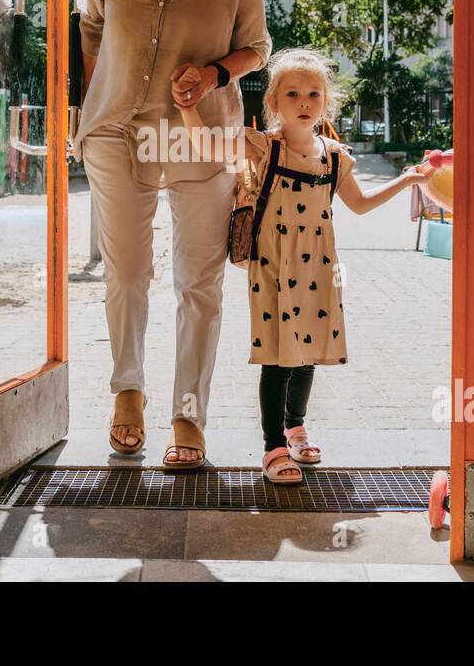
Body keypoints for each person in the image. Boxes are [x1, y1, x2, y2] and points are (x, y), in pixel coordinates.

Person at [73, 0, 271, 470]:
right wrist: (91, 99)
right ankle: (127, 391)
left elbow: (258, 47)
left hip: (201, 130)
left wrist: (215, 74)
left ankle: (189, 414)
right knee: (128, 271)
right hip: (116, 129)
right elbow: (91, 25)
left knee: (200, 283)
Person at [178, 48, 430, 483]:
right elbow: (206, 145)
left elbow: (361, 204)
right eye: (292, 93)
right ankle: (273, 446)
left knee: (307, 349)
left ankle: (296, 426)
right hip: (273, 267)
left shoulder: (334, 156)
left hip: (318, 268)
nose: (304, 102)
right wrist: (187, 110)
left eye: (313, 94)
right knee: (277, 354)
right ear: (273, 102)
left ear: (325, 101)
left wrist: (406, 180)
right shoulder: (262, 146)